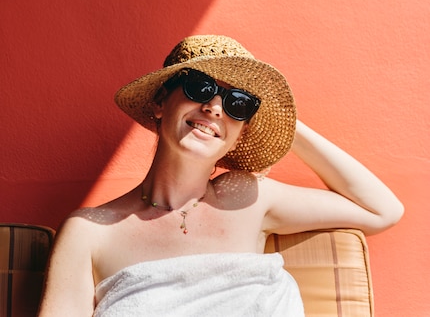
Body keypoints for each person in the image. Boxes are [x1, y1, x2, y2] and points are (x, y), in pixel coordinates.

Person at [38, 35, 404, 316]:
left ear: (242, 131)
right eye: (201, 87)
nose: (215, 107)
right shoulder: (90, 232)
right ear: (160, 102)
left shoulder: (247, 197)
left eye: (238, 104)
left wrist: (285, 126)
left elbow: (382, 210)